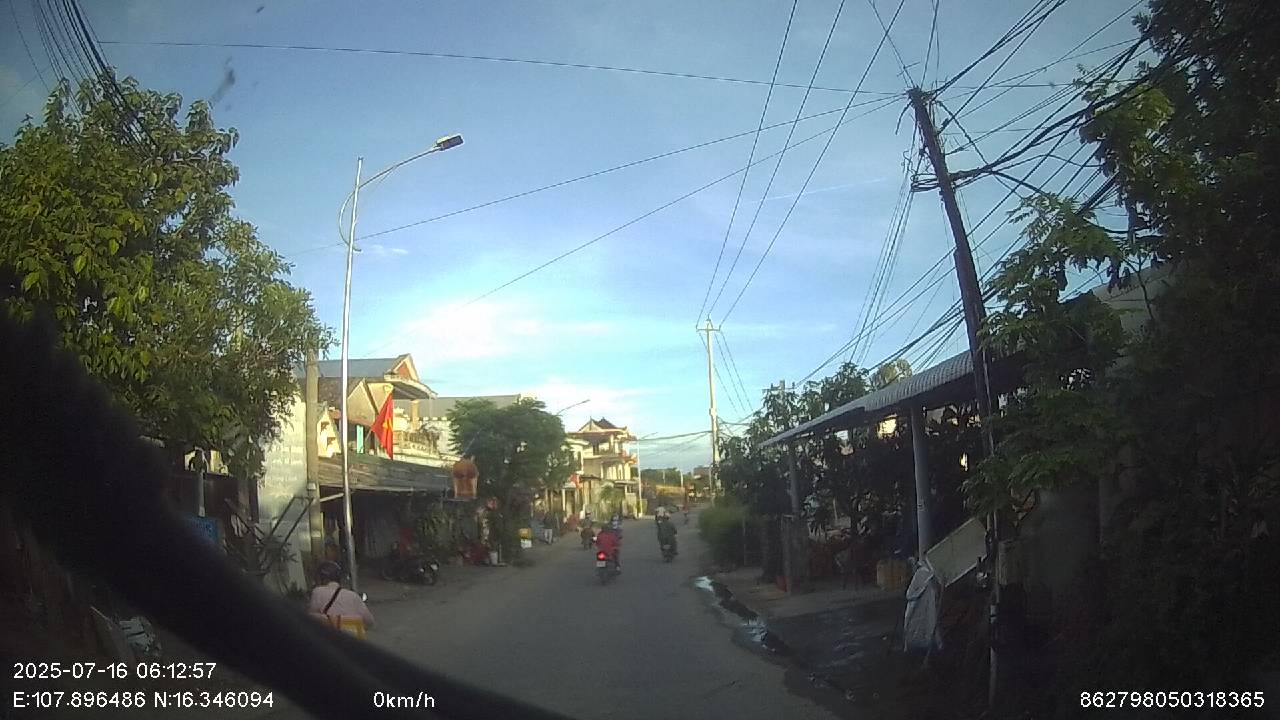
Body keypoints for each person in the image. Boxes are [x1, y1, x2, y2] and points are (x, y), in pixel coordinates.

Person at [308, 562, 375, 634]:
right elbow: (370, 622)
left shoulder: (317, 592)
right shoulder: (353, 596)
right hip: (352, 638)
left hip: (327, 638)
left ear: (321, 578)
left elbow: (312, 618)